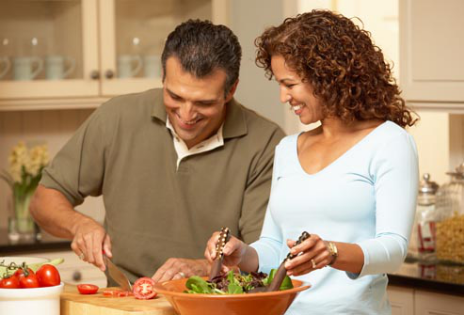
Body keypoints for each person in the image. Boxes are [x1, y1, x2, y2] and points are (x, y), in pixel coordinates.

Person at [30, 20, 285, 285]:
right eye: (175, 96)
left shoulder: (266, 144)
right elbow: (44, 200)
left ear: (230, 91)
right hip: (126, 304)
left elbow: (264, 259)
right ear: (163, 77)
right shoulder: (116, 118)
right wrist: (79, 225)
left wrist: (203, 268)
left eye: (203, 103)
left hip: (215, 306)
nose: (186, 115)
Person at [206, 10, 419, 315]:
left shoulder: (389, 142)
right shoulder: (287, 148)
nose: (283, 96)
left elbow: (393, 250)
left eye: (290, 84)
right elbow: (274, 248)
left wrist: (331, 252)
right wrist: (243, 254)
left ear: (328, 76)